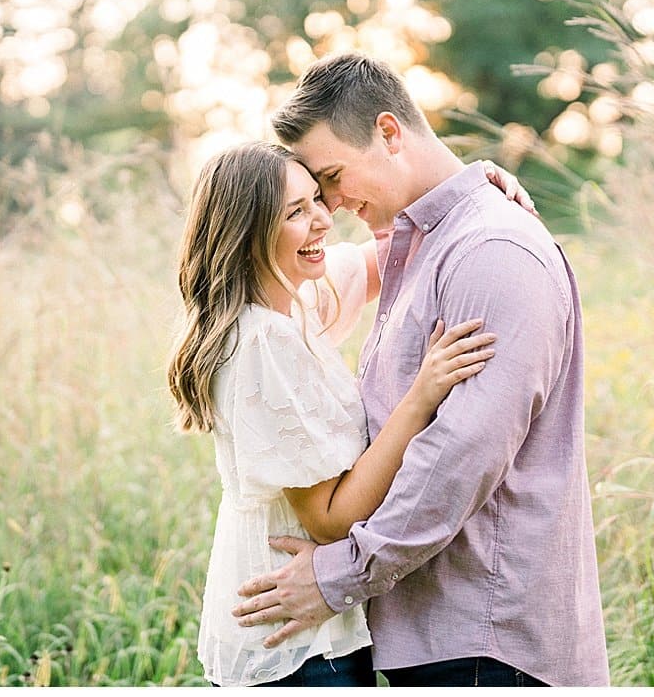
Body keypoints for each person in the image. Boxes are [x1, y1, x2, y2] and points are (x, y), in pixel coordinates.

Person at [230, 52, 609, 686]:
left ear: (387, 132)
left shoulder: (492, 252)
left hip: (486, 641)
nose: (329, 205)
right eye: (312, 195)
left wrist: (340, 575)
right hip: (437, 635)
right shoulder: (419, 244)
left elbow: (460, 457)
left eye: (331, 177)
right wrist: (470, 179)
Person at [167, 141, 528, 687]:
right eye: (295, 212)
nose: (321, 221)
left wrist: (470, 189)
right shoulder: (263, 344)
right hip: (291, 637)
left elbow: (380, 258)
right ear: (247, 232)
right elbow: (330, 519)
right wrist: (421, 396)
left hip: (312, 627)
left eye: (317, 199)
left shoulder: (292, 298)